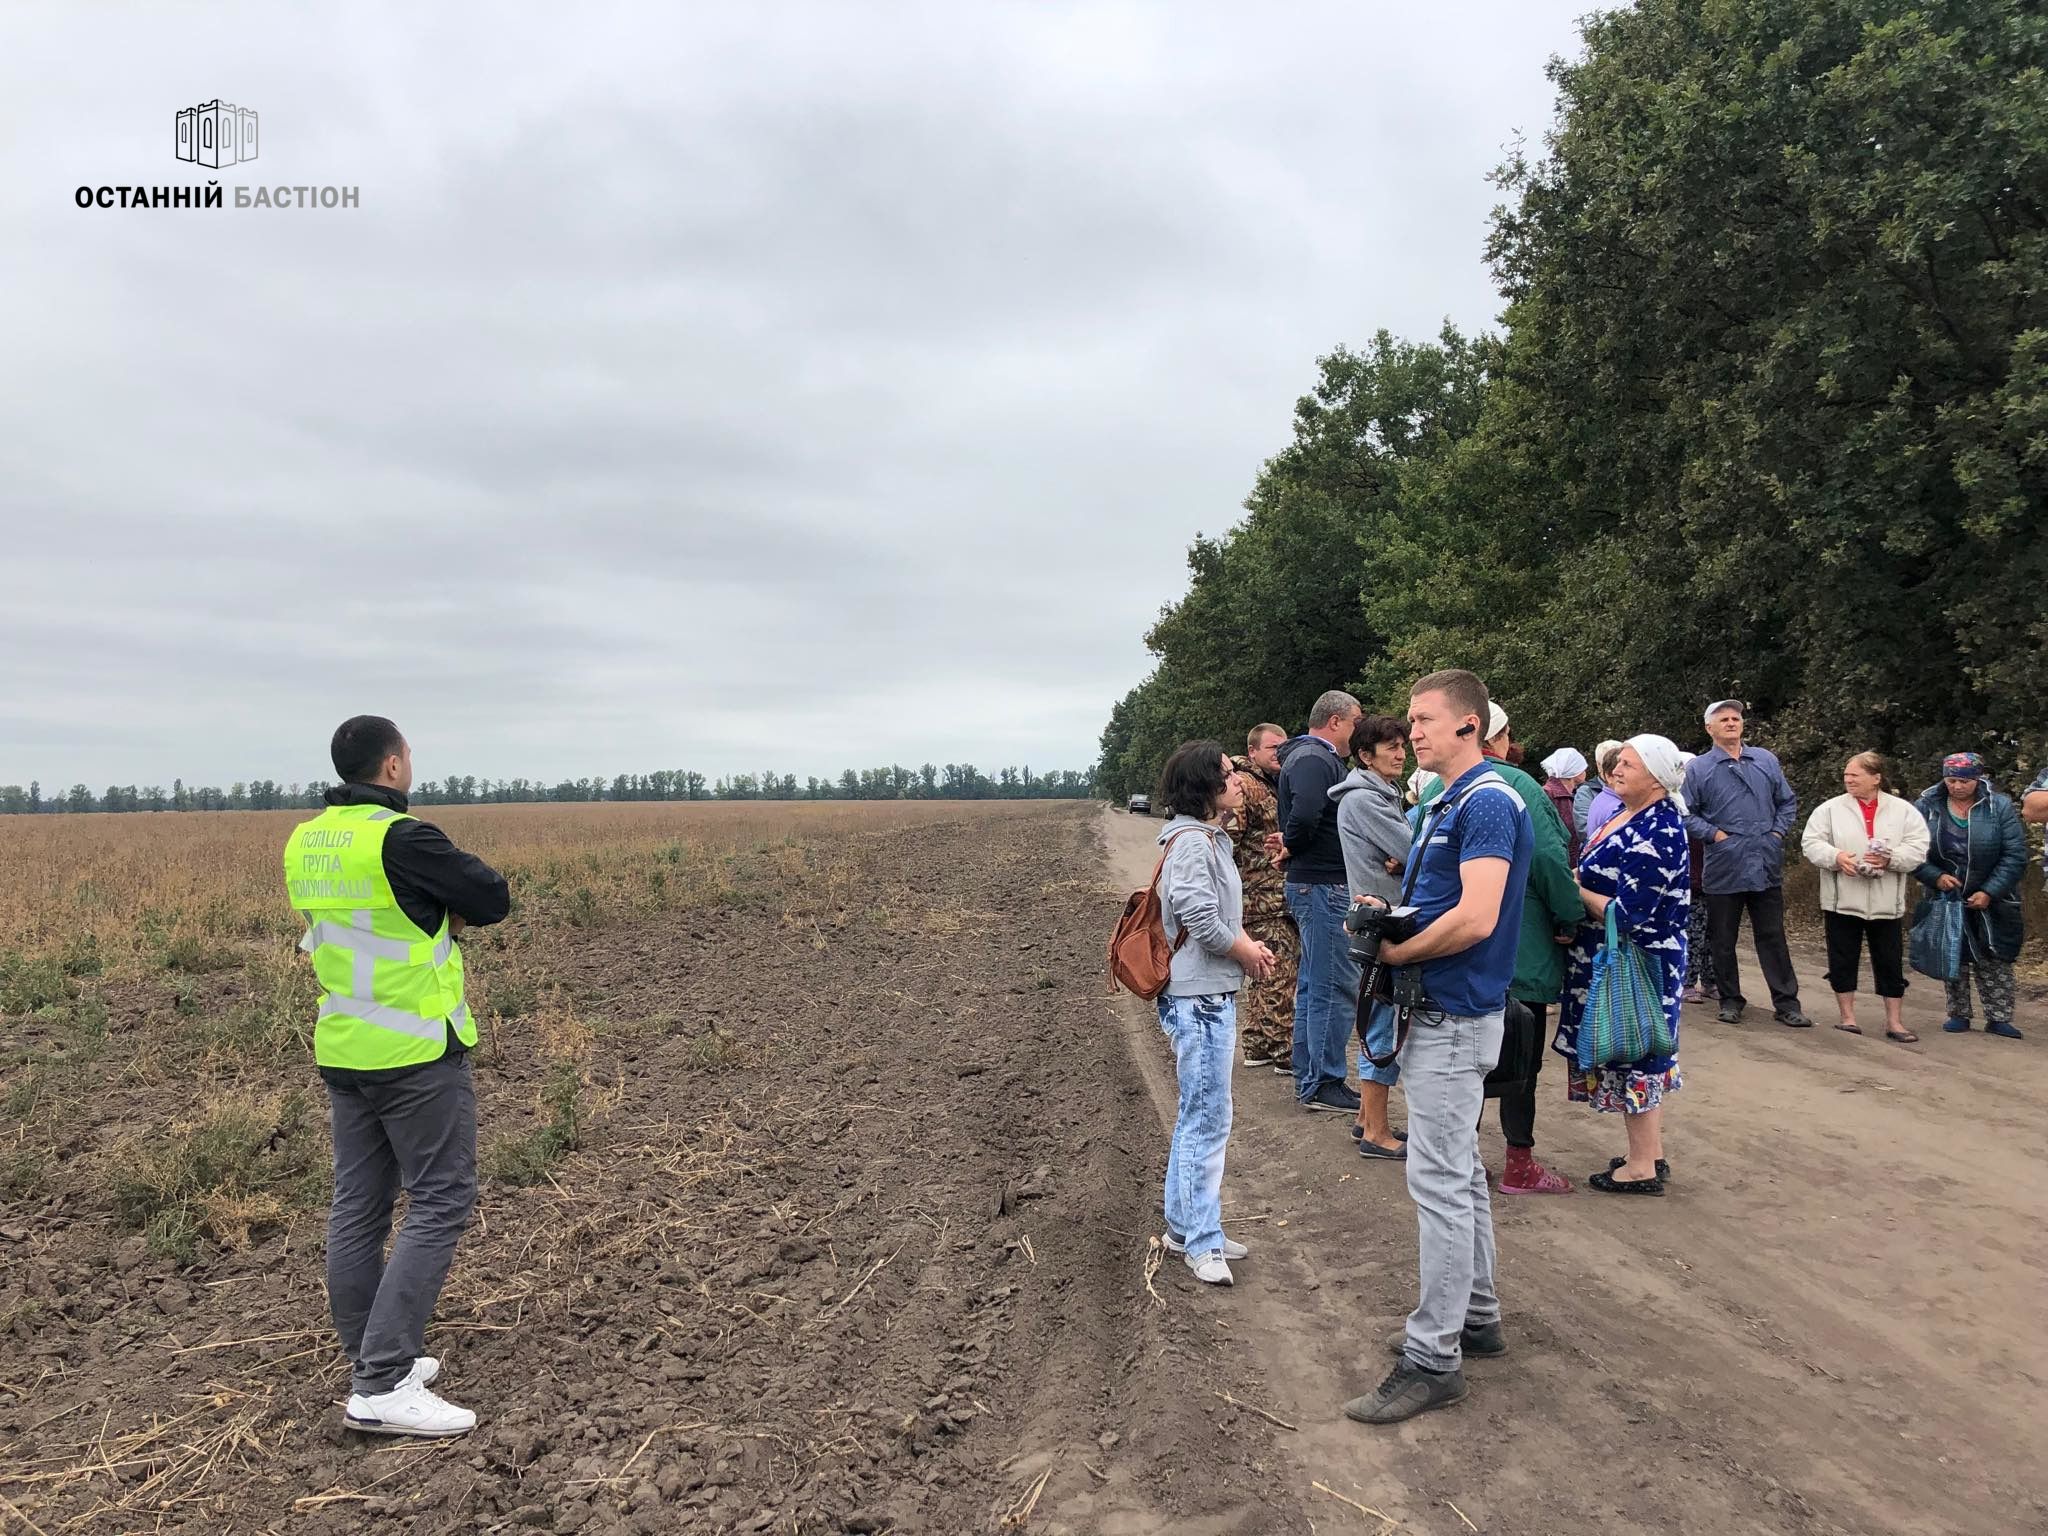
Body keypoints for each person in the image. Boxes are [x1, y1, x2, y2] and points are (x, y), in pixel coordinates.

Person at [284, 716, 510, 1438]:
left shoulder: (307, 839)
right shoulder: (402, 838)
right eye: (407, 754)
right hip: (412, 1053)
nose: (411, 764)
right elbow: (491, 899)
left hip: (344, 1047)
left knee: (358, 1207)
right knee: (442, 1198)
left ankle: (374, 1357)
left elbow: (355, 924)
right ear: (390, 767)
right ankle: (381, 1382)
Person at [1343, 669, 1531, 1426]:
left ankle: (1433, 1358)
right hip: (1445, 1012)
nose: (1411, 731)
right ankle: (1476, 1317)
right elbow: (1451, 901)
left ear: (1469, 727)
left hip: (1453, 1015)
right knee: (1457, 1172)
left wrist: (1395, 953)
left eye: (1425, 720)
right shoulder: (1451, 798)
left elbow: (1480, 917)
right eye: (1411, 722)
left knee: (1440, 1182)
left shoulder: (1486, 800)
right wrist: (1392, 915)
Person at [1153, 741, 1277, 1285]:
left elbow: (1221, 912)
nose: (1237, 781)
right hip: (1198, 997)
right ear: (1203, 786)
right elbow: (1200, 917)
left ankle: (1186, 1226)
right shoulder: (1192, 844)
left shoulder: (1209, 839)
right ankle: (1202, 1242)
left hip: (1207, 992)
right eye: (1226, 774)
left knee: (1199, 1114)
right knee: (1207, 1119)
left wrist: (1246, 944)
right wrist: (1243, 950)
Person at [1555, 736, 1691, 1195]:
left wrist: (1576, 892)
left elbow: (1630, 914)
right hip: (1614, 956)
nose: (1617, 769)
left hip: (1641, 961)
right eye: (1617, 762)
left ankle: (1640, 1168)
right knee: (1639, 1047)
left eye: (1628, 764)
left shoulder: (1660, 829)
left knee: (1637, 1047)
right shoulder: (1627, 813)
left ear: (1656, 777)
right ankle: (1648, 1153)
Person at [1476, 705, 1581, 1194]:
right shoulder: (1519, 786)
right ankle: (1519, 1163)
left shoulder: (1438, 786)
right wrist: (1570, 914)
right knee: (1521, 1060)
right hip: (1522, 944)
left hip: (1462, 951)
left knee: (1467, 1057)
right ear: (1500, 737)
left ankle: (1465, 1159)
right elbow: (1548, 859)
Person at [1681, 700, 1811, 1028]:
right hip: (1724, 865)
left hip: (1765, 863)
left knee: (1773, 936)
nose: (1731, 723)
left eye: (1735, 718)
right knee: (1722, 938)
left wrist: (1778, 833)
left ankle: (1787, 1003)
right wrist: (1715, 835)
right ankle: (1729, 999)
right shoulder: (1698, 768)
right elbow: (1685, 813)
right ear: (1709, 728)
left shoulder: (1765, 760)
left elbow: (1787, 801)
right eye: (1723, 719)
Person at [1273, 691, 1365, 1114]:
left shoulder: (1307, 756)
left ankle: (1308, 1072)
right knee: (1332, 987)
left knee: (1314, 983)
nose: (1358, 732)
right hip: (1324, 885)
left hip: (1316, 885)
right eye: (1355, 722)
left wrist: (1293, 845)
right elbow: (1308, 811)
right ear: (1334, 721)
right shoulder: (1314, 758)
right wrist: (1293, 844)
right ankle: (1324, 1082)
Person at [1801, 752, 1931, 1042]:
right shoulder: (1830, 810)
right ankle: (1848, 1018)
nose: (1848, 780)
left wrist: (1891, 859)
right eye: (1846, 775)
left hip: (1887, 902)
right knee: (1842, 958)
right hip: (1841, 899)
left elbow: (1919, 847)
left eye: (1855, 775)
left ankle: (1895, 1022)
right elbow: (1811, 843)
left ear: (1876, 778)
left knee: (1890, 961)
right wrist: (1836, 857)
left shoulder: (1903, 810)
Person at [1330, 714, 1415, 1157]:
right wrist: (1405, 858)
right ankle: (1378, 1134)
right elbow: (1413, 847)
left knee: (1379, 1016)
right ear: (1365, 756)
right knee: (1382, 1023)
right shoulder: (1366, 800)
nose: (1402, 753)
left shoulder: (1378, 795)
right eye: (1391, 747)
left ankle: (1366, 1120)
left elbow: (1403, 851)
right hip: (1381, 920)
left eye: (1403, 745)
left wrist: (1402, 859)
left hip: (1379, 914)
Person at [1913, 753, 2028, 1040]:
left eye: (1964, 781)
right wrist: (1934, 876)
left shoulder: (1998, 806)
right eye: (1951, 780)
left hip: (1994, 895)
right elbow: (1912, 851)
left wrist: (1989, 891)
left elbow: (2015, 854)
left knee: (1996, 955)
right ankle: (1958, 1013)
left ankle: (1999, 1017)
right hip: (1946, 893)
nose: (1957, 786)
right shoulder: (1927, 805)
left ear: (1978, 779)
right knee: (1953, 952)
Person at [1219, 724, 1299, 1070]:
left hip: (1271, 893)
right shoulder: (1246, 785)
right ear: (1252, 751)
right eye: (1271, 747)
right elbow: (1226, 841)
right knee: (1279, 970)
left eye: (1283, 747)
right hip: (1261, 895)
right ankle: (1284, 1051)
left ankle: (1257, 1044)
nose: (1278, 753)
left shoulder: (1272, 784)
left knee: (1264, 970)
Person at [1541, 748, 1588, 866]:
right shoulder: (1548, 794)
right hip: (1559, 864)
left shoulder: (1573, 794)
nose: (1585, 770)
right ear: (1574, 771)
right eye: (1582, 767)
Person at [1575, 741, 1623, 839]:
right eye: (1610, 762)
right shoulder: (1587, 792)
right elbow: (1584, 829)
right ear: (1598, 765)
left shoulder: (1624, 793)